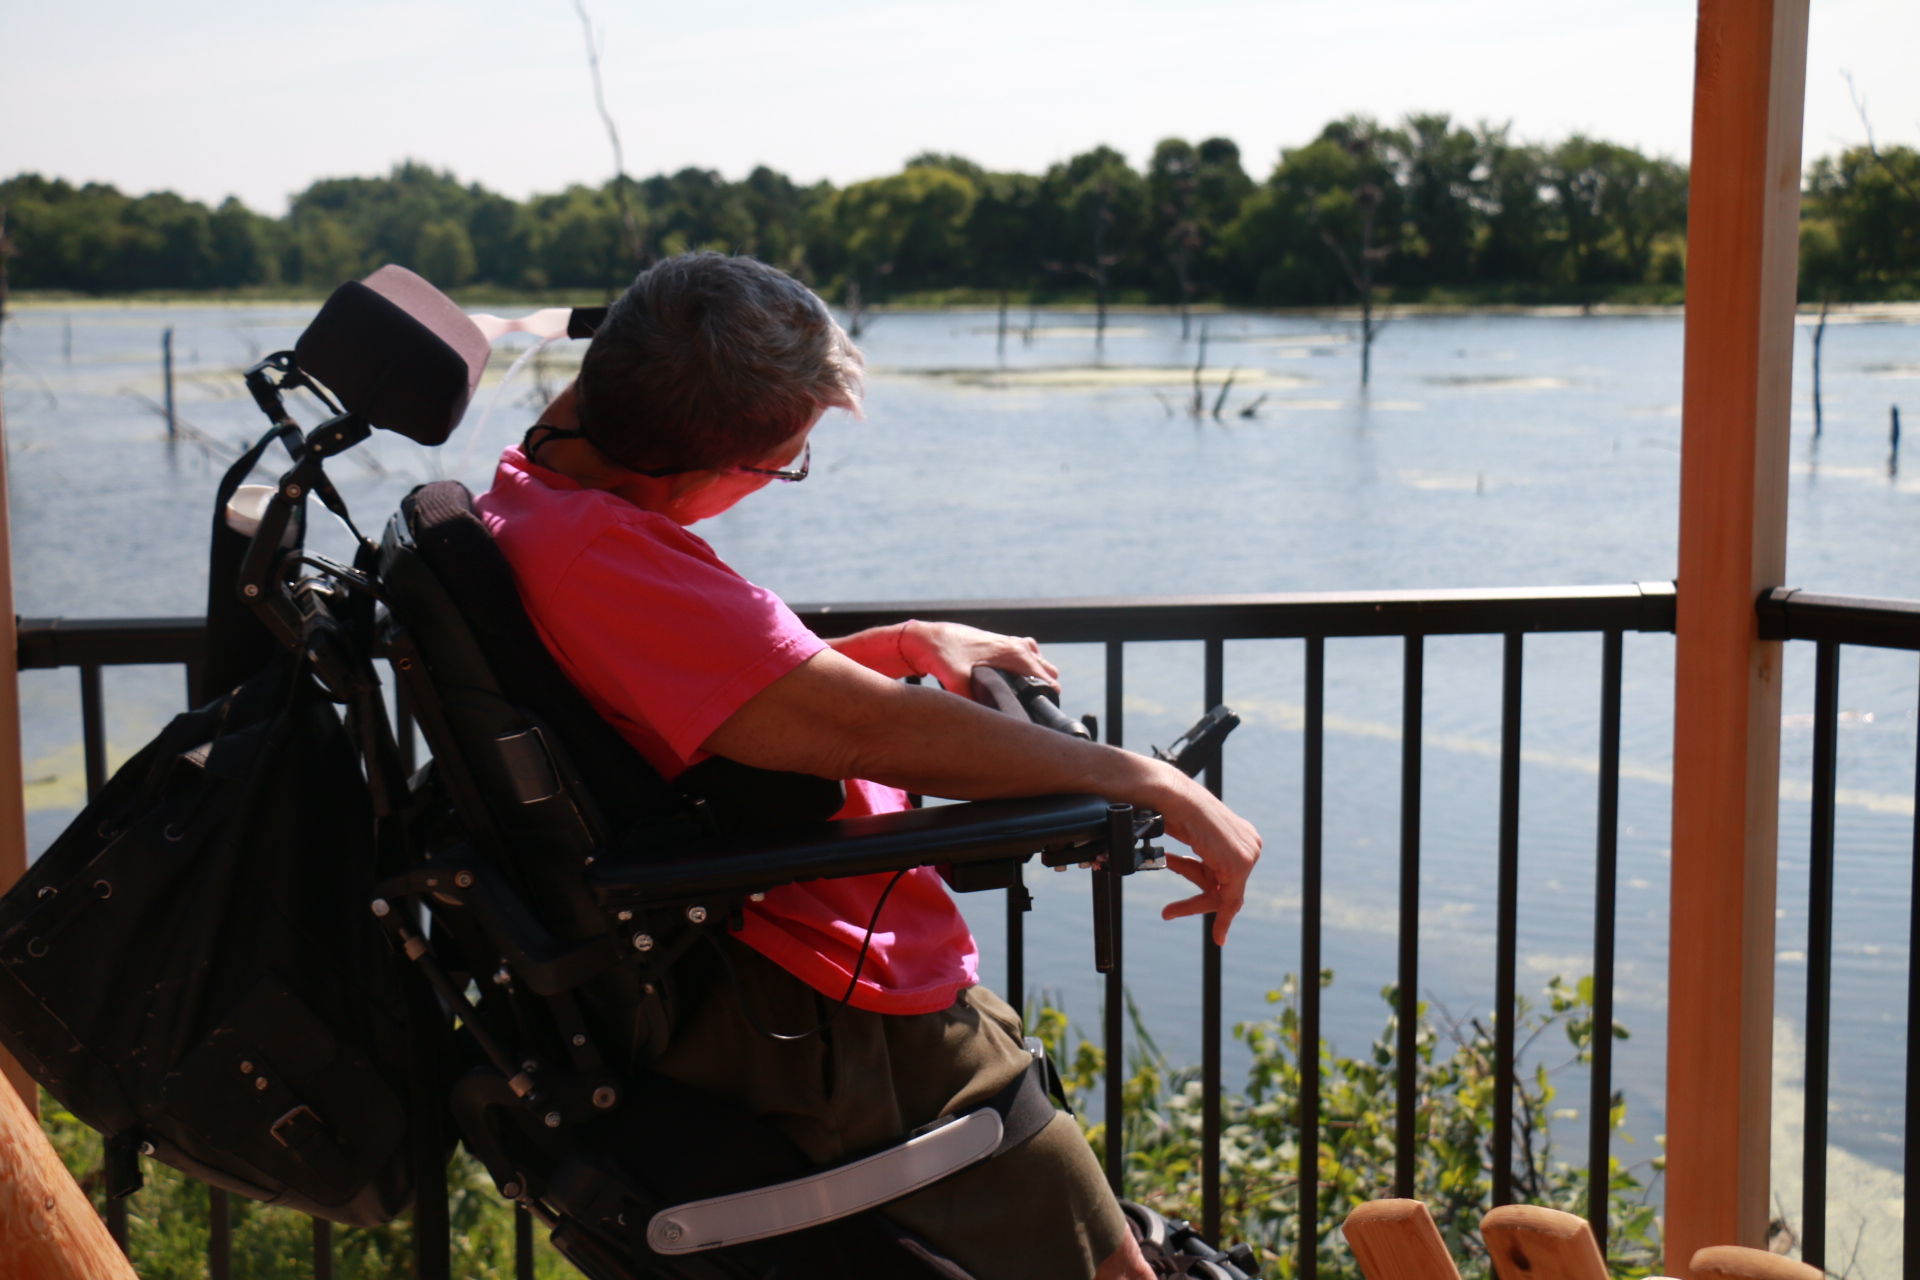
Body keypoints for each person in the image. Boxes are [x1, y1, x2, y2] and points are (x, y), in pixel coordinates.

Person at [474, 252, 1262, 1280]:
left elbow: (737, 696)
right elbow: (864, 733)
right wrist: (1140, 778)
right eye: (785, 462)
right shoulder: (611, 565)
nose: (774, 483)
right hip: (827, 1001)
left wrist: (899, 644)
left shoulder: (538, 502)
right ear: (712, 467)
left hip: (744, 966)